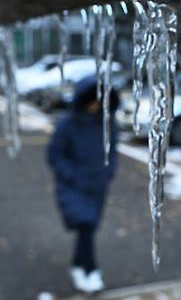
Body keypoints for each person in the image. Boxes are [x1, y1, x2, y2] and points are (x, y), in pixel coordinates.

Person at [47, 76, 119, 293]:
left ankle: (77, 265)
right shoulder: (68, 123)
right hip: (74, 186)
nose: (95, 105)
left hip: (98, 186)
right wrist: (71, 176)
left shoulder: (108, 124)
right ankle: (91, 270)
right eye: (91, 100)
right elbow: (54, 154)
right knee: (85, 226)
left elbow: (112, 152)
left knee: (87, 229)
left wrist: (109, 173)